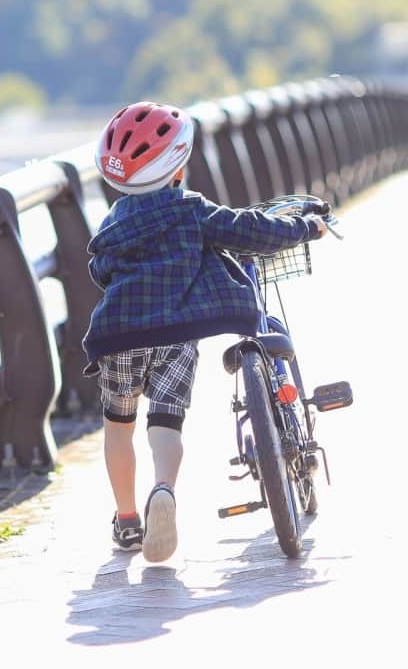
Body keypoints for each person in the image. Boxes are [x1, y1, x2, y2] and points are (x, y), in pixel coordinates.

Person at [83, 101, 327, 562]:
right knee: (165, 424)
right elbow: (247, 230)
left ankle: (128, 520)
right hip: (178, 333)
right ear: (179, 167)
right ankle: (163, 491)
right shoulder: (192, 210)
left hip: (117, 336)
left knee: (119, 427)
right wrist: (303, 229)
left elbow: (101, 269)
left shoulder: (112, 223)